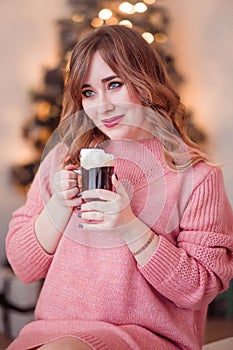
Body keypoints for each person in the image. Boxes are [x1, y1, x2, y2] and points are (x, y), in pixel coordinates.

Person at [5, 24, 233, 350]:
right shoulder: (63, 157)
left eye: (114, 84)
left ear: (145, 81)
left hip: (147, 338)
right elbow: (24, 267)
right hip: (51, 333)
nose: (102, 106)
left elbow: (200, 288)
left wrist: (130, 227)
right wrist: (58, 205)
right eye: (88, 92)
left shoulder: (196, 175)